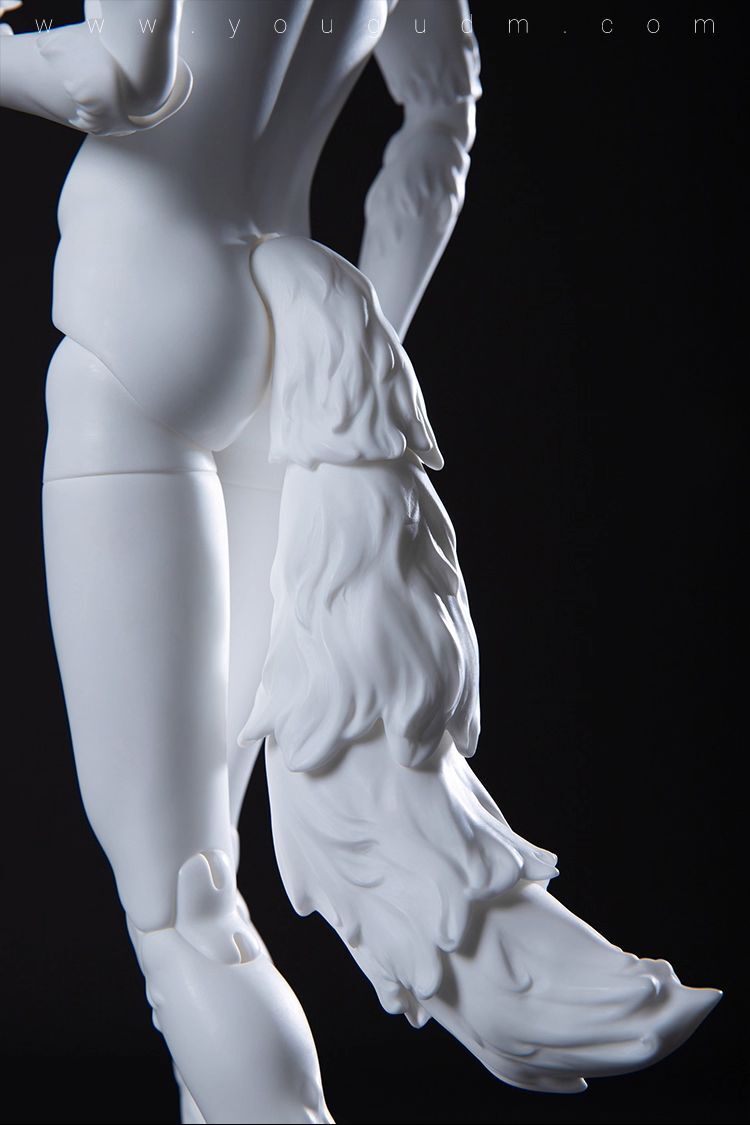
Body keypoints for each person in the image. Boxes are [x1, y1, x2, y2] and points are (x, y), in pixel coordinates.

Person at [0, 3, 720, 1123]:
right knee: (208, 867)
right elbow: (441, 119)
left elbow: (119, 78)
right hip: (277, 338)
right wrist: (352, 366)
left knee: (185, 911)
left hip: (139, 320)